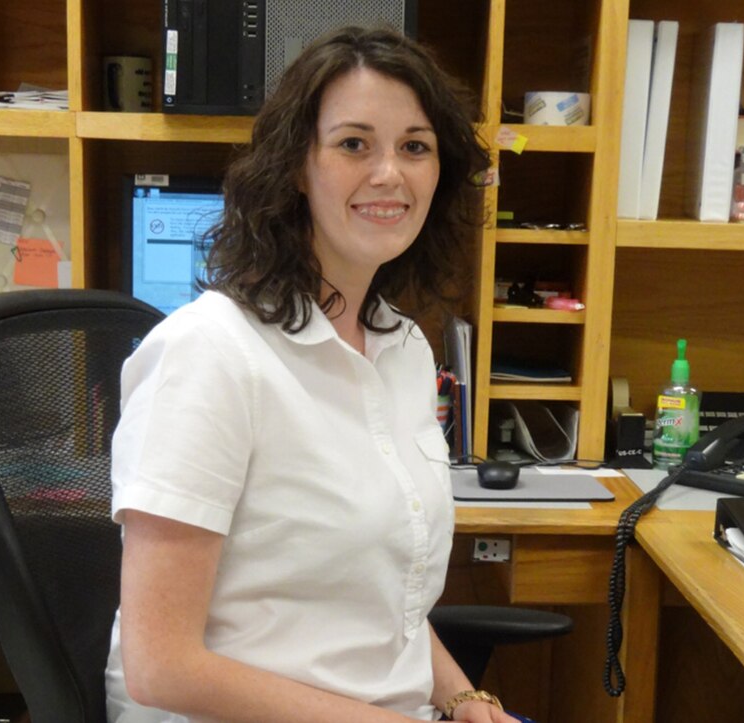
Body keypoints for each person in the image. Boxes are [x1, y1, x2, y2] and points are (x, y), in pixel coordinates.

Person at [104, 25, 523, 723]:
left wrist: (463, 694)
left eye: (415, 147)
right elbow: (159, 665)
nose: (389, 172)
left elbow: (378, 598)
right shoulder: (210, 353)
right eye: (354, 143)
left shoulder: (403, 349)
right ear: (298, 166)